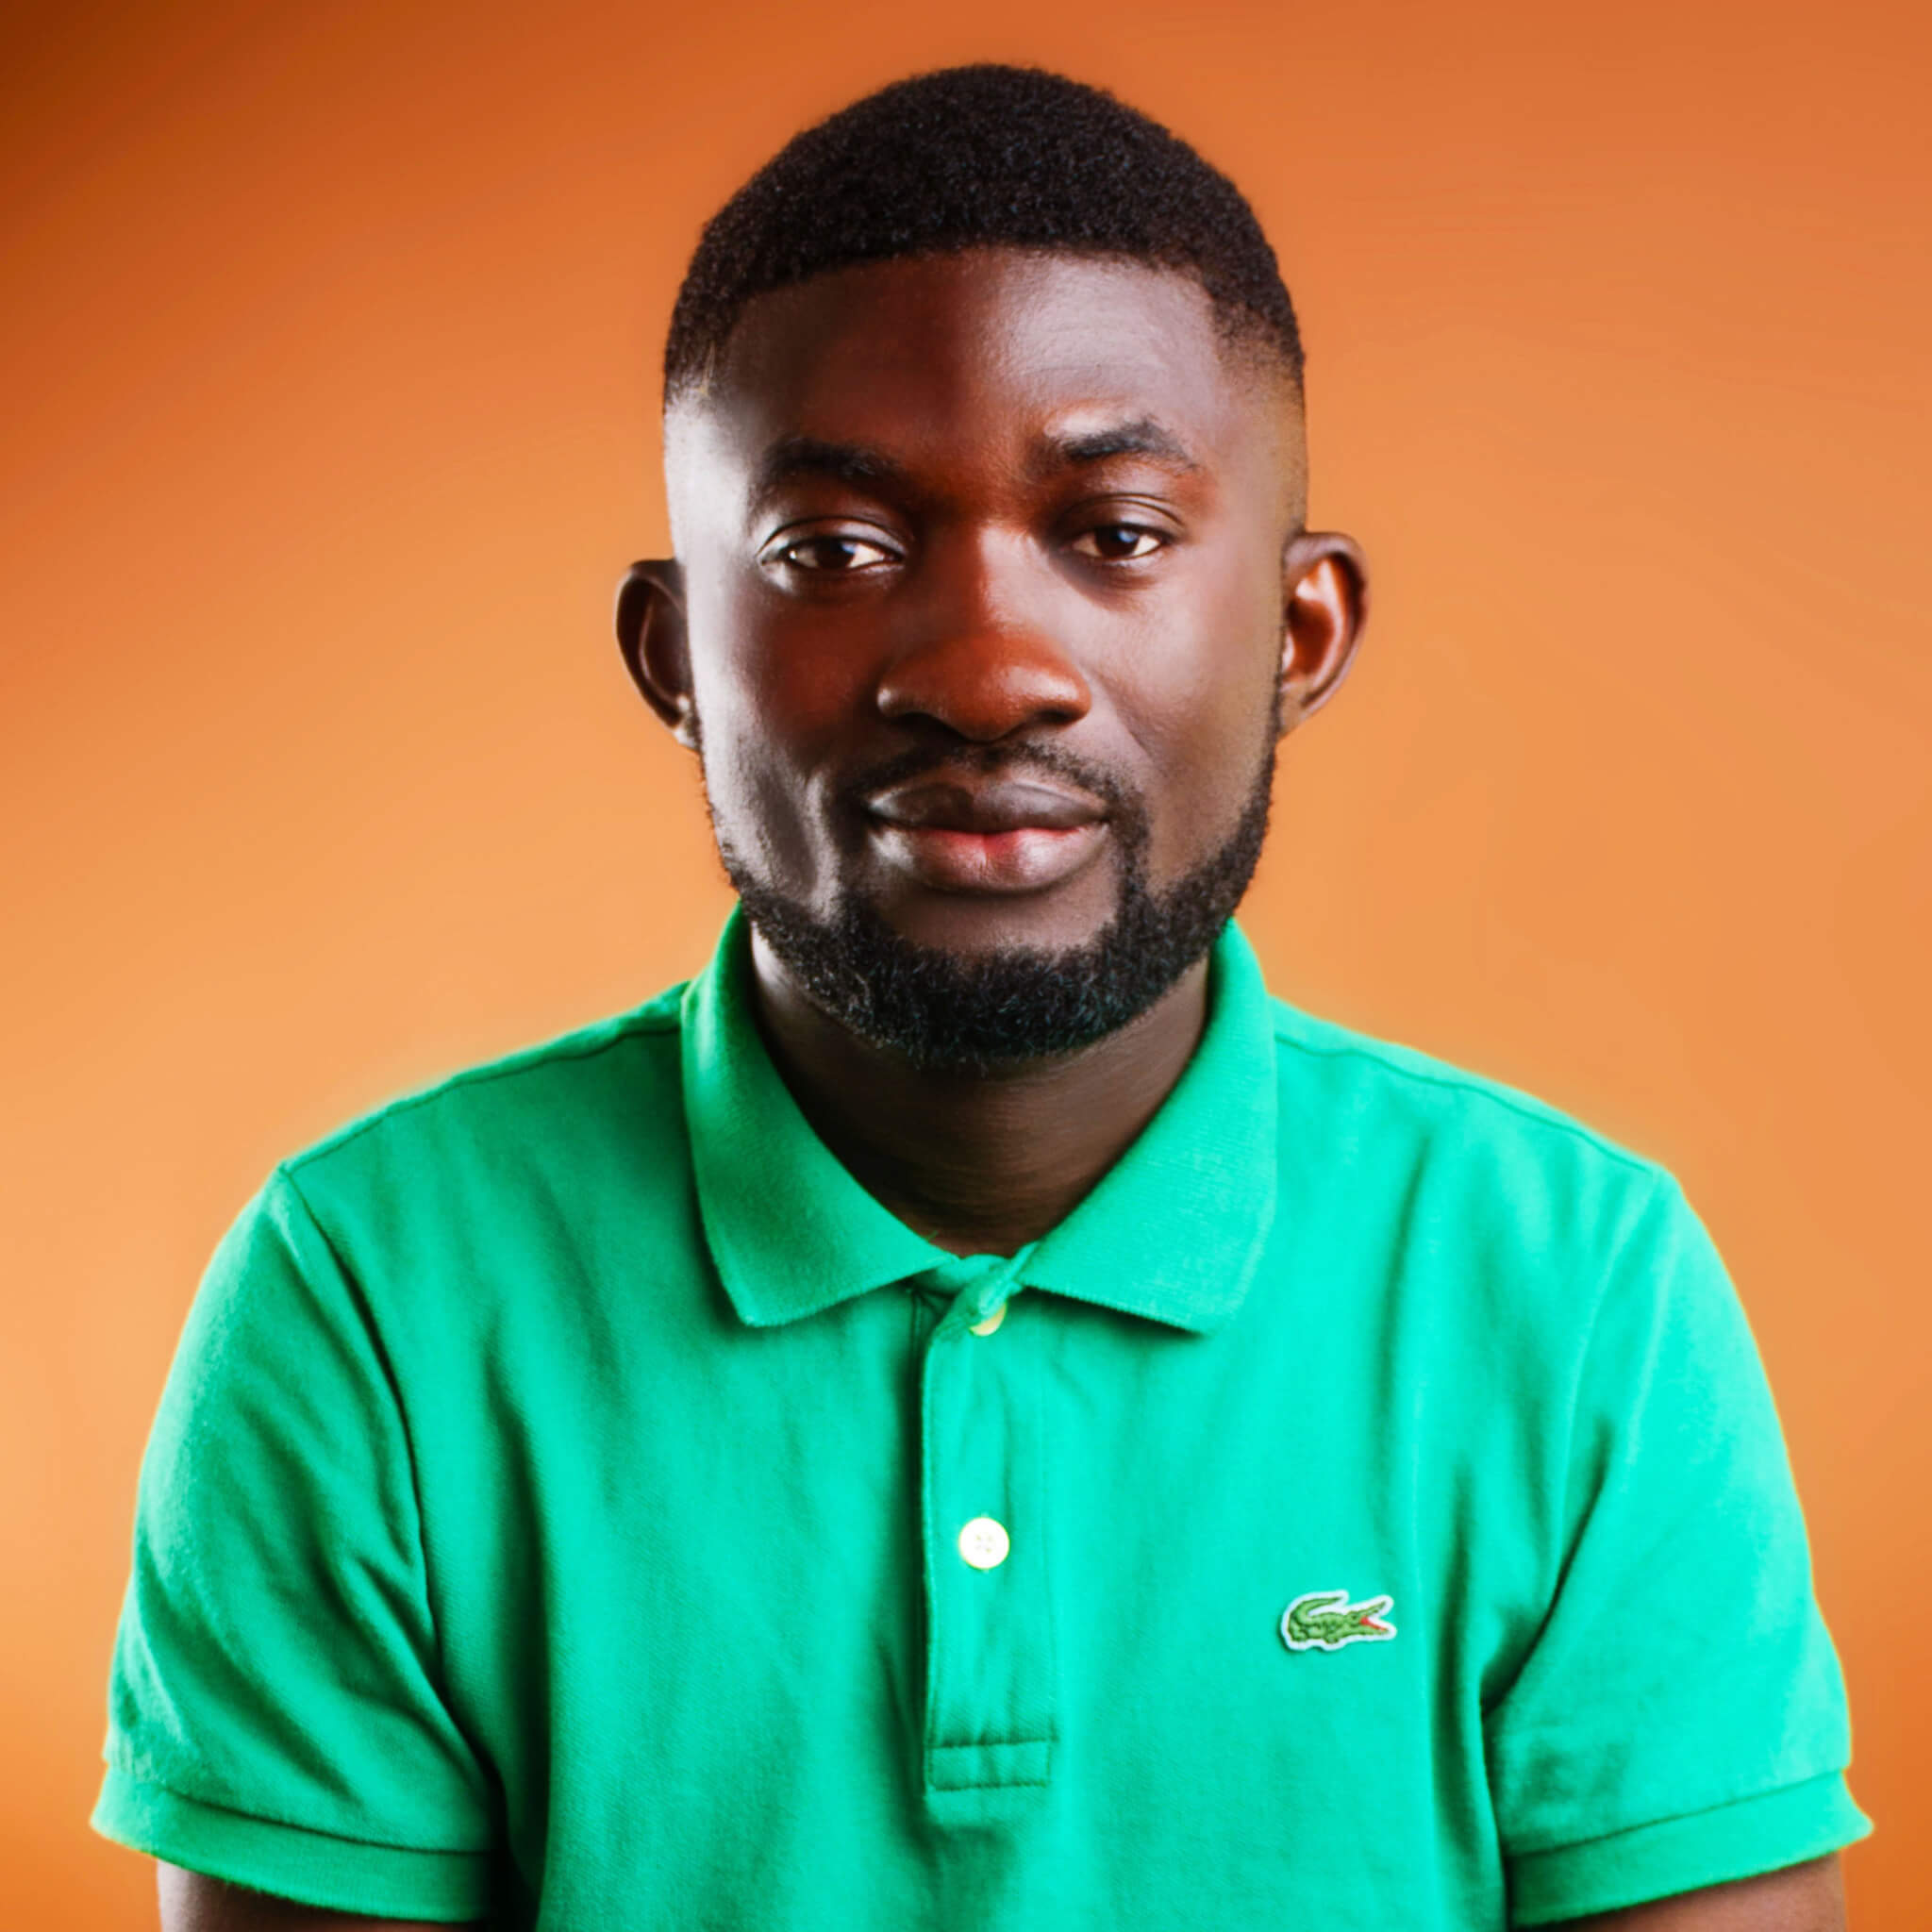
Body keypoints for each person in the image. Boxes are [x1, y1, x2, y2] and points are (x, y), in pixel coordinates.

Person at [93, 64, 1868, 1931]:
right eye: (835, 553)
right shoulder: (369, 1298)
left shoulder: (1575, 1293)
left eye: (1115, 531)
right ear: (675, 653)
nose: (987, 670)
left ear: (1299, 633)